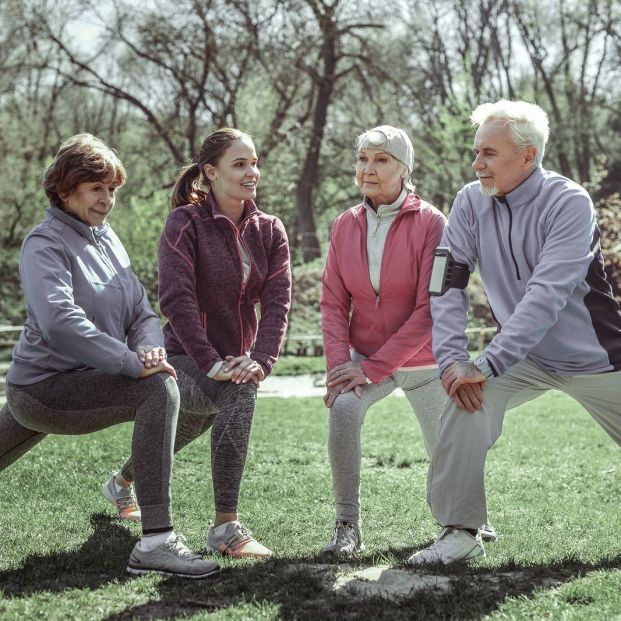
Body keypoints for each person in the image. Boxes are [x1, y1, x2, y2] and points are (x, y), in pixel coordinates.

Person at [408, 100, 621, 566]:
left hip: (599, 359)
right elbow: (446, 284)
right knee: (465, 403)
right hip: (523, 359)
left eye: (488, 153)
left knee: (475, 381)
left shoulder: (569, 202)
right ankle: (461, 530)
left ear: (528, 156)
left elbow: (546, 295)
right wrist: (452, 362)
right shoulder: (468, 201)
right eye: (475, 151)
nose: (476, 163)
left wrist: (484, 363)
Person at [0, 134, 219, 579]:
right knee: (158, 388)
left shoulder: (106, 238)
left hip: (87, 381)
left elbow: (140, 308)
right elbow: (61, 322)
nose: (107, 199)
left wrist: (149, 346)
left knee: (184, 387)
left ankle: (125, 491)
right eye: (96, 188)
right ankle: (156, 542)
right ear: (65, 190)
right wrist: (130, 362)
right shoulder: (44, 244)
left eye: (113, 189)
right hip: (45, 390)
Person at [103, 128, 291, 558]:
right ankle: (226, 528)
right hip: (183, 358)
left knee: (182, 429)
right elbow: (176, 298)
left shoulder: (269, 230)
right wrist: (210, 362)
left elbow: (278, 302)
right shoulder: (184, 223)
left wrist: (260, 359)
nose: (252, 172)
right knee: (233, 396)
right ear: (210, 172)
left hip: (235, 361)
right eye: (240, 164)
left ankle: (120, 484)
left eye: (255, 162)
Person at [319, 125, 453, 558]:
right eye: (363, 159)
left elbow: (429, 310)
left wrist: (371, 368)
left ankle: (465, 521)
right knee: (343, 408)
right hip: (363, 356)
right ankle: (347, 526)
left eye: (381, 160)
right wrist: (341, 369)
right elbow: (333, 303)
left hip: (423, 360)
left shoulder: (433, 222)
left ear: (404, 169)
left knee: (447, 447)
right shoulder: (344, 224)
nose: (368, 169)